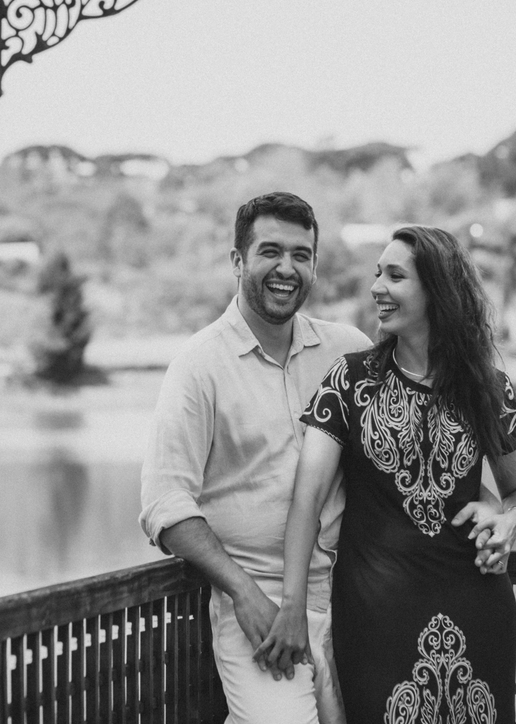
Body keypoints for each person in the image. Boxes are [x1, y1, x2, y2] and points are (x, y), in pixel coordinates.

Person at [255, 224, 516, 724]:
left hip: (478, 604)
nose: (377, 288)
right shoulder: (351, 381)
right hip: (375, 613)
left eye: (395, 276)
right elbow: (306, 501)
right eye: (377, 274)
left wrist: (510, 519)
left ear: (436, 290)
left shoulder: (490, 390)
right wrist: (292, 607)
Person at [139, 191, 374, 724]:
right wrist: (242, 593)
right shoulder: (199, 366)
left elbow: (410, 436)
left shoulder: (349, 351)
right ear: (238, 260)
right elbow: (163, 503)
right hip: (261, 606)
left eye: (301, 255)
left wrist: (503, 501)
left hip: (355, 596)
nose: (286, 269)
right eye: (270, 252)